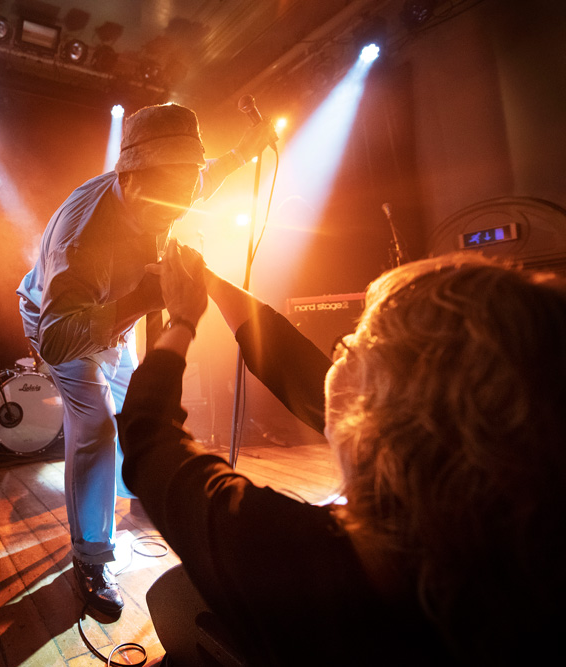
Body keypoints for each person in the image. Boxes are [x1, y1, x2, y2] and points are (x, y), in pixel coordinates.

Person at [119, 247, 566, 665]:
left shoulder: (302, 559)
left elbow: (147, 433)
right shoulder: (519, 546)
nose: (336, 359)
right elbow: (296, 367)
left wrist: (181, 320)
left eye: (353, 342)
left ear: (380, 411)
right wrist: (212, 284)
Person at [16, 103, 276, 615]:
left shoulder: (166, 184)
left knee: (134, 411)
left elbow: (207, 179)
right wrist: (145, 300)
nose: (175, 209)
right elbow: (56, 340)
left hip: (116, 316)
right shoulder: (83, 237)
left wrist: (246, 149)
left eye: (185, 192)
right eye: (165, 201)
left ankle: (131, 493)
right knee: (94, 427)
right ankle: (90, 558)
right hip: (64, 323)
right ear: (129, 179)